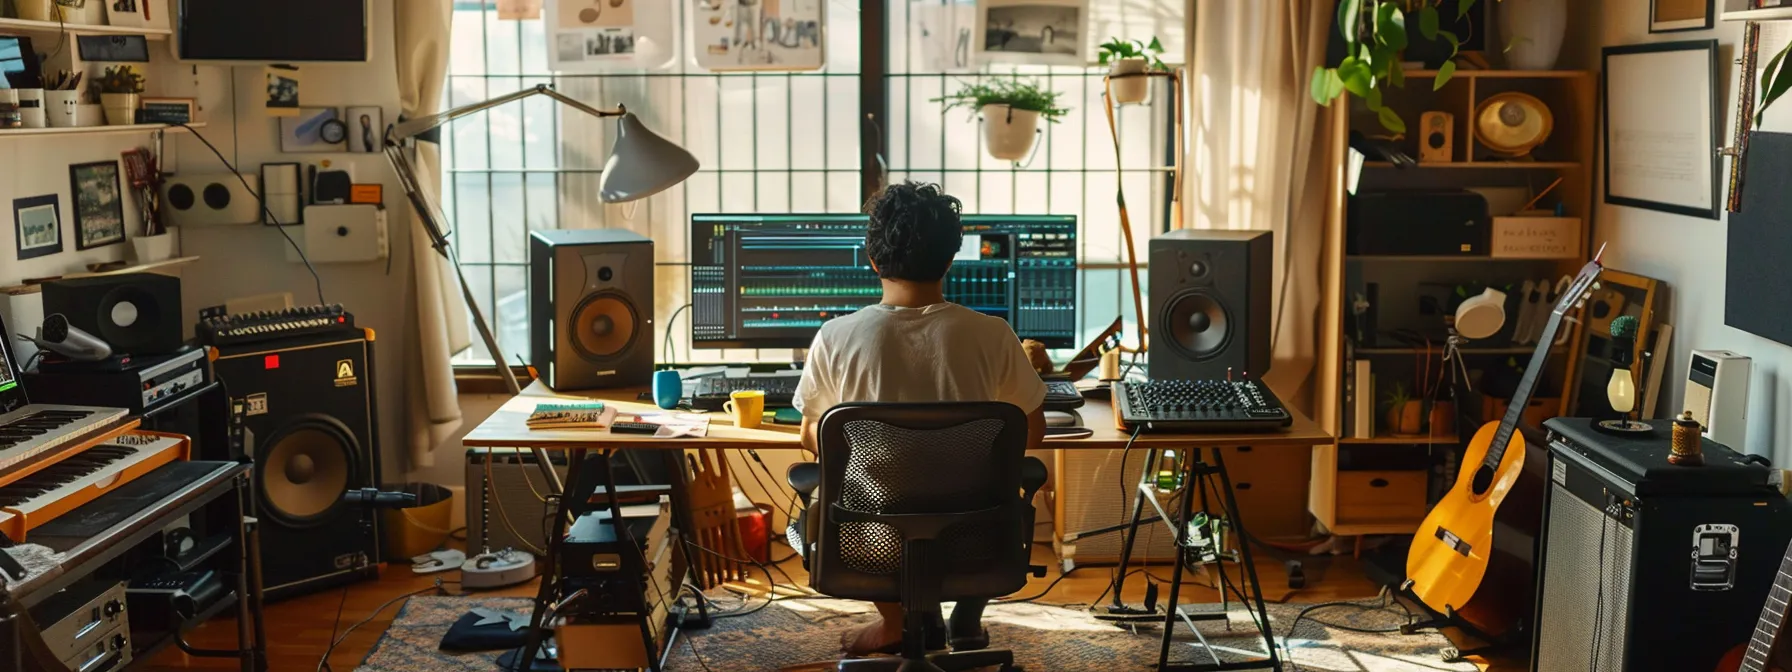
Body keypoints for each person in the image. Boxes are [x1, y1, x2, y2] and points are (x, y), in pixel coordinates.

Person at [792, 181, 1047, 656]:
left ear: (873, 260)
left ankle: (894, 624)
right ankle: (966, 617)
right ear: (951, 259)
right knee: (991, 484)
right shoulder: (993, 335)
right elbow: (1031, 431)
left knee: (839, 490)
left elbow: (813, 437)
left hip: (869, 544)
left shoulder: (835, 337)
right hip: (977, 542)